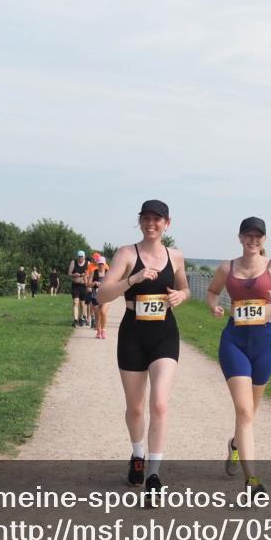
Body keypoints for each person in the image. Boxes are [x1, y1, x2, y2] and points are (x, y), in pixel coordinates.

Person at [96, 200, 190, 491]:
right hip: (133, 335)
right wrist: (132, 279)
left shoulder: (175, 256)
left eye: (157, 219)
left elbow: (185, 288)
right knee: (136, 408)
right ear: (140, 221)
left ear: (167, 224)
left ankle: (153, 473)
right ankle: (138, 456)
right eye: (146, 218)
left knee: (159, 403)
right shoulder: (127, 253)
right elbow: (101, 296)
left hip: (164, 334)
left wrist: (181, 297)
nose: (151, 224)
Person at [206, 217, 271, 499]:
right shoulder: (227, 268)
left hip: (264, 345)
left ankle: (236, 443)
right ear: (240, 237)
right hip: (234, 343)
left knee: (250, 413)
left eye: (258, 237)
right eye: (248, 235)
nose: (253, 240)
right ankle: (252, 481)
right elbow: (212, 292)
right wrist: (214, 306)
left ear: (265, 240)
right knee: (245, 412)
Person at [90, 254, 110, 339]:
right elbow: (88, 285)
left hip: (106, 296)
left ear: (105, 264)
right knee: (97, 315)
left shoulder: (108, 273)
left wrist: (104, 284)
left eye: (102, 264)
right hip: (95, 296)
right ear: (97, 264)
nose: (101, 266)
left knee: (103, 312)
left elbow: (113, 284)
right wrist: (94, 283)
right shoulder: (93, 273)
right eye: (99, 264)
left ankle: (104, 330)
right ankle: (98, 331)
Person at [69, 250, 90, 327]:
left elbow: (91, 274)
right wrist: (74, 274)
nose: (80, 258)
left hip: (83, 286)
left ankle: (81, 318)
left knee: (82, 303)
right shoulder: (73, 262)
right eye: (79, 257)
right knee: (75, 302)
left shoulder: (88, 263)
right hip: (75, 285)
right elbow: (69, 274)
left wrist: (86, 275)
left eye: (81, 257)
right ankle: (75, 320)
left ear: (84, 257)